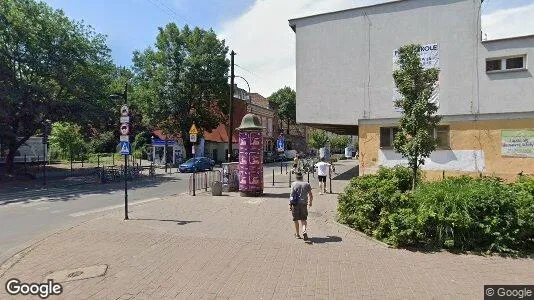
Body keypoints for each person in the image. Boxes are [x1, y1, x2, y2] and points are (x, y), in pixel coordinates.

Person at [289, 172, 313, 240]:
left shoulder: (294, 184)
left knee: (296, 219)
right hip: (304, 204)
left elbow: (291, 195)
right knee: (303, 219)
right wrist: (310, 202)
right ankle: (304, 231)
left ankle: (297, 234)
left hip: (295, 204)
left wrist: (290, 204)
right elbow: (311, 195)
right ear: (302, 177)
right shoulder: (307, 184)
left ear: (296, 177)